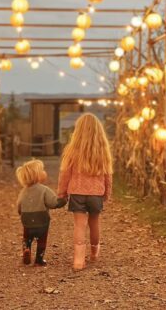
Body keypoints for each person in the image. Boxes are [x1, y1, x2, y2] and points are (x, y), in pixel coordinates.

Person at [57, 113, 113, 271]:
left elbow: (65, 173)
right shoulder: (102, 150)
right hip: (96, 194)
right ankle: (94, 253)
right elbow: (108, 174)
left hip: (77, 193)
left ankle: (78, 260)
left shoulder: (72, 150)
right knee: (94, 223)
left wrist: (62, 193)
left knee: (79, 226)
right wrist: (107, 193)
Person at [15, 158, 66, 266]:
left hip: (27, 221)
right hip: (42, 221)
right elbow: (53, 203)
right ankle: (39, 260)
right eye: (42, 170)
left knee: (27, 238)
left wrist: (22, 214)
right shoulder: (44, 190)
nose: (44, 172)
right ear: (37, 175)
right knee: (41, 240)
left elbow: (19, 206)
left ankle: (26, 249)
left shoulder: (23, 191)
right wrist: (63, 200)